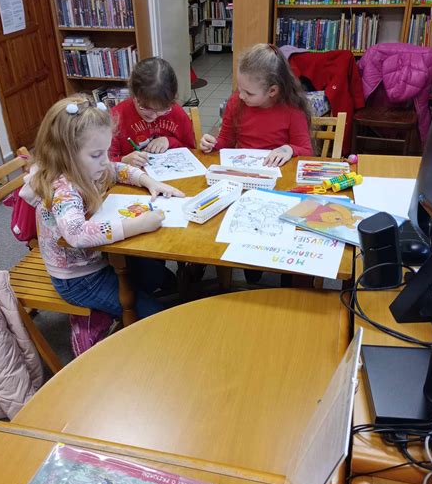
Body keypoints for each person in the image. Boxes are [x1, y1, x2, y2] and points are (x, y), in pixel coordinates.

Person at [20, 94, 184, 324]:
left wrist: (150, 182)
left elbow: (117, 169)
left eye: (106, 151)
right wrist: (136, 225)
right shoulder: (63, 188)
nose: (105, 160)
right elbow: (76, 233)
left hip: (99, 259)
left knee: (156, 274)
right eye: (97, 154)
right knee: (156, 315)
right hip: (78, 279)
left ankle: (117, 304)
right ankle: (98, 321)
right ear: (65, 153)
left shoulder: (89, 166)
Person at [200, 43, 314, 166]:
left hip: (277, 172)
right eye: (239, 88)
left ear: (272, 91)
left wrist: (289, 149)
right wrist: (212, 144)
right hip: (243, 170)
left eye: (249, 93)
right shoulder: (236, 102)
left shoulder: (292, 109)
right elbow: (226, 141)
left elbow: (306, 152)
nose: (241, 96)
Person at [109, 57, 195, 166]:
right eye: (146, 108)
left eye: (162, 110)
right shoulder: (116, 118)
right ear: (134, 95)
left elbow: (192, 151)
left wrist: (170, 141)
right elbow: (105, 162)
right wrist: (123, 160)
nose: (154, 116)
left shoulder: (177, 113)